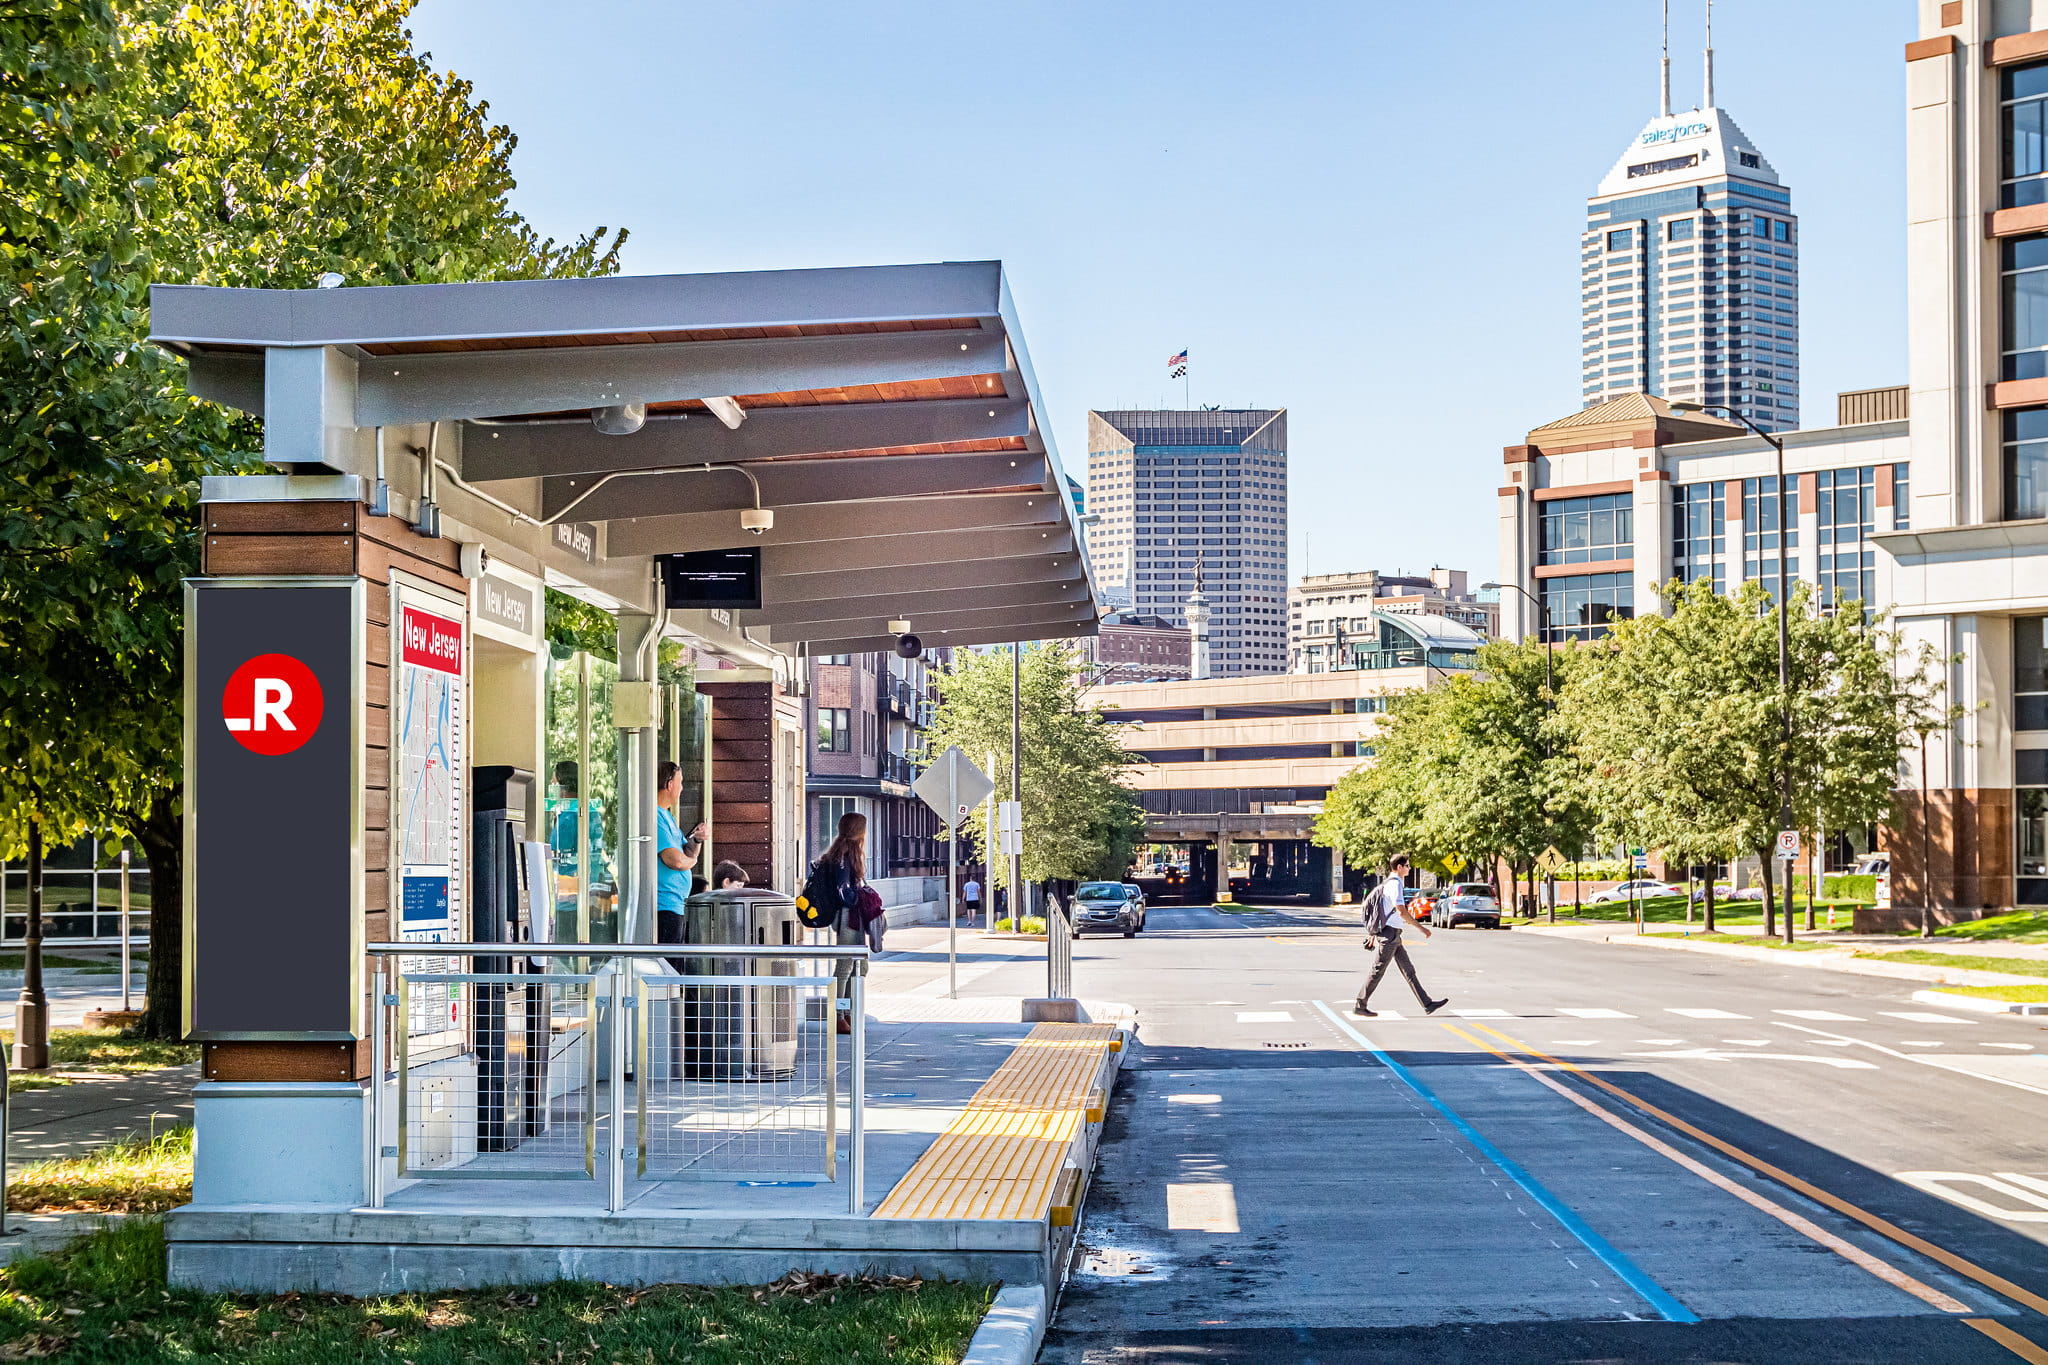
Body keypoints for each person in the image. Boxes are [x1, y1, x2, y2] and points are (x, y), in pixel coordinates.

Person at [1353, 855, 1449, 1018]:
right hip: (1390, 934)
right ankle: (1360, 1004)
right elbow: (1401, 911)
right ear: (1399, 867)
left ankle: (1427, 1003)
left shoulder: (1393, 883)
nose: (1409, 868)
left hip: (1393, 934)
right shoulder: (1395, 884)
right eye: (1407, 865)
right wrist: (1421, 928)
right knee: (1378, 971)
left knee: (1409, 970)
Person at [811, 812, 869, 1035]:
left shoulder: (841, 852)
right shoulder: (845, 856)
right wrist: (859, 897)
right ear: (859, 831)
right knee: (846, 965)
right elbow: (844, 891)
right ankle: (839, 1016)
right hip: (848, 916)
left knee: (859, 966)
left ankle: (848, 1012)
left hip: (848, 916)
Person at [653, 761, 708, 962]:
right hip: (664, 906)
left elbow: (686, 850)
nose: (682, 788)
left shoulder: (667, 816)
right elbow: (675, 860)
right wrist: (691, 861)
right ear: (669, 785)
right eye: (680, 782)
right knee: (669, 967)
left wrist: (697, 839)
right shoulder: (655, 817)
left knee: (675, 965)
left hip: (675, 903)